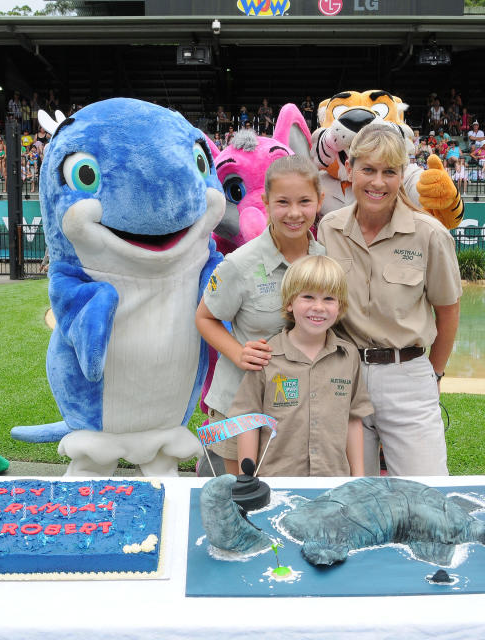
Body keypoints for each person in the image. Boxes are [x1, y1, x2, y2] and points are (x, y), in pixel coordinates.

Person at [316, 122, 461, 476]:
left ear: (401, 175)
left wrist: (434, 374)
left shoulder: (430, 234)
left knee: (424, 494)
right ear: (350, 168)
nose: (377, 182)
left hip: (407, 376)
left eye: (389, 172)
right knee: (351, 499)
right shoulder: (330, 228)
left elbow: (448, 310)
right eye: (368, 169)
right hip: (345, 378)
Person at [195, 155, 326, 476]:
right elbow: (204, 318)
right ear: (266, 202)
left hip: (299, 408)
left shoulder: (325, 261)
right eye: (282, 202)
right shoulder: (240, 264)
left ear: (320, 201)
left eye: (304, 201)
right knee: (239, 500)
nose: (294, 213)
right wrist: (238, 353)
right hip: (239, 405)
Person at [231, 255, 370, 477]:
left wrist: (358, 478)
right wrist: (245, 480)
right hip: (276, 481)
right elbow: (248, 420)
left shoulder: (348, 356)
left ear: (340, 306)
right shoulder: (266, 356)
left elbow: (353, 419)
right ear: (289, 302)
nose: (318, 307)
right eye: (307, 297)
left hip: (332, 481)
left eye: (329, 299)